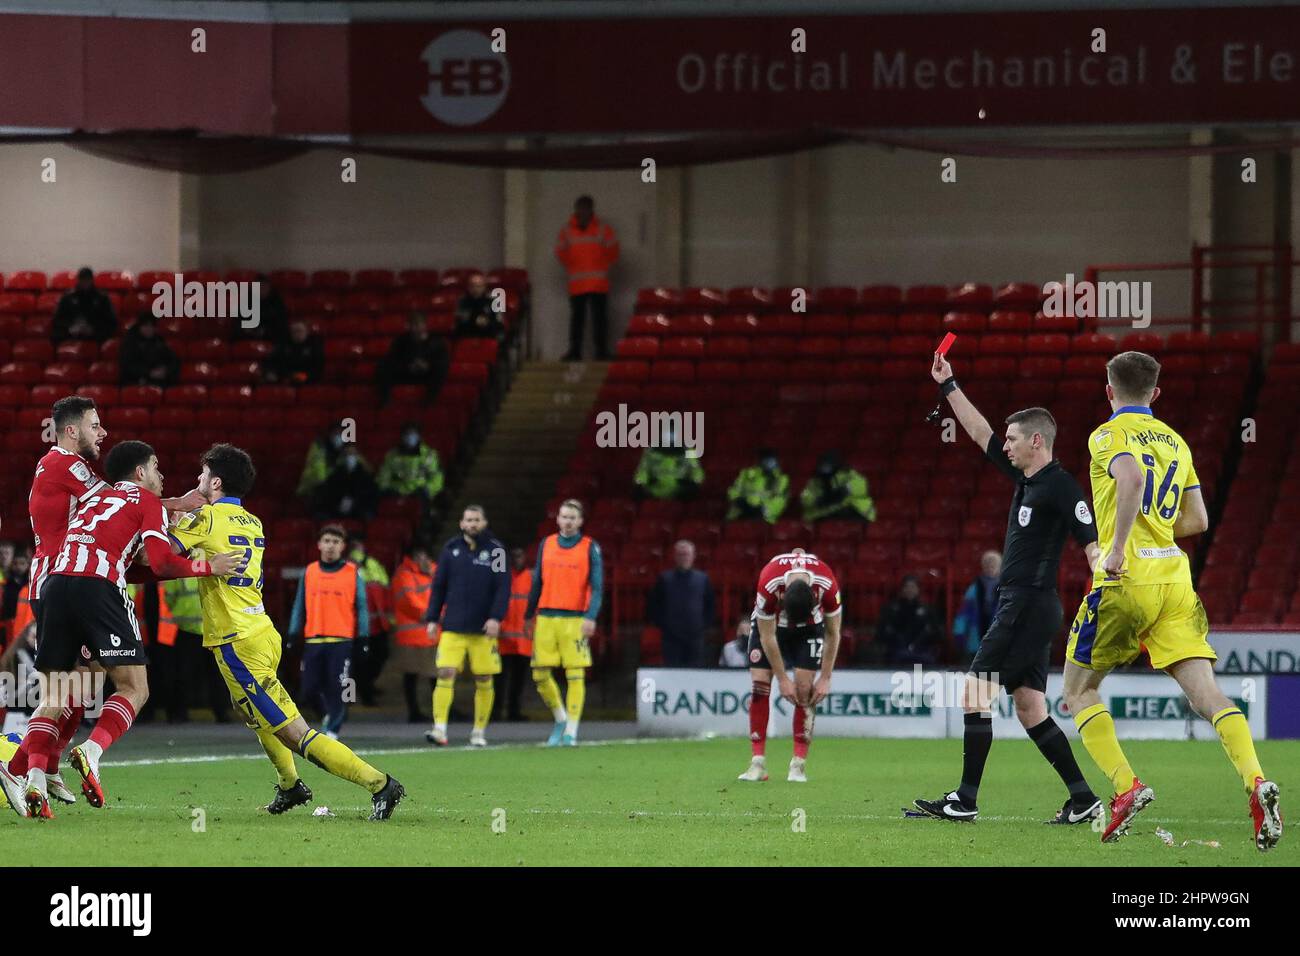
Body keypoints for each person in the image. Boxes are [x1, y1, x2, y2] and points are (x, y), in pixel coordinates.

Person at [1063, 351, 1280, 850]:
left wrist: (1117, 546)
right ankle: (1255, 781)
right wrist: (1155, 530)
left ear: (1109, 390)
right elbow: (1198, 520)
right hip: (1176, 582)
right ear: (1155, 394)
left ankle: (1126, 786)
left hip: (1127, 580)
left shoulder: (1105, 434)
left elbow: (1133, 479)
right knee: (1209, 698)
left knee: (1077, 691)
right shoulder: (1177, 442)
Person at [912, 350, 1103, 827]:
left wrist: (1105, 578)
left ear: (1038, 441)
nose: (1007, 445)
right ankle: (1083, 798)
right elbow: (980, 433)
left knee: (975, 691)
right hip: (1027, 607)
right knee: (1029, 705)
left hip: (1028, 605)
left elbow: (1091, 542)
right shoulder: (1025, 477)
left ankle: (965, 799)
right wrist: (949, 385)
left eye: (1015, 438)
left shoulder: (1061, 487)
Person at [168, 443, 405, 819]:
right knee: (252, 713)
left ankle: (380, 784)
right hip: (261, 631)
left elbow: (159, 554)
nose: (195, 483)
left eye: (201, 477)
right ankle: (290, 786)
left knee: (294, 733)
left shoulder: (207, 520)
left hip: (237, 641)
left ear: (215, 481)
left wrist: (170, 506)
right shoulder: (253, 522)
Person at [12, 440, 244, 818]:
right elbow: (160, 564)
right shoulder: (146, 502)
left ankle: (34, 780)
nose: (162, 475)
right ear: (140, 473)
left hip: (55, 585)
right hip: (97, 588)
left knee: (58, 692)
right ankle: (90, 752)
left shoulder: (93, 500)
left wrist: (176, 519)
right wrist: (207, 566)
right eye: (156, 467)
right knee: (135, 687)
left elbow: (129, 560)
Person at [737, 548, 843, 784]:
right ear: (782, 600)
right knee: (760, 685)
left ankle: (798, 765)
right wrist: (783, 679)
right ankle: (757, 763)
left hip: (809, 630)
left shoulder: (827, 585)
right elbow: (767, 637)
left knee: (805, 691)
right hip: (772, 627)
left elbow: (834, 633)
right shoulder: (769, 583)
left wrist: (826, 677)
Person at [423, 506, 509, 747]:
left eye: (477, 520)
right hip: (453, 626)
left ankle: (479, 731)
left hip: (483, 629)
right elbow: (439, 586)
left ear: (484, 522)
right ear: (461, 523)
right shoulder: (451, 549)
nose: (472, 524)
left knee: (483, 676)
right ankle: (440, 728)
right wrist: (432, 618)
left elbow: (503, 587)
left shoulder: (497, 551)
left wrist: (496, 617)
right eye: (468, 520)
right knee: (445, 672)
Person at [526, 499, 603, 746]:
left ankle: (571, 730)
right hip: (546, 617)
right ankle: (560, 718)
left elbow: (598, 586)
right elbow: (537, 581)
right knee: (539, 674)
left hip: (574, 619)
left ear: (580, 521)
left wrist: (591, 616)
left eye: (573, 517)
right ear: (557, 519)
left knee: (575, 673)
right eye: (564, 517)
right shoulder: (546, 544)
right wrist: (529, 615)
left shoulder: (589, 547)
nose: (568, 521)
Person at [288, 526, 369, 738]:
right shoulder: (309, 571)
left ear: (342, 546)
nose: (331, 545)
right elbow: (299, 605)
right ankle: (328, 715)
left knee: (340, 688)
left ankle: (333, 729)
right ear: (319, 544)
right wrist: (293, 633)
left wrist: (364, 637)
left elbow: (361, 607)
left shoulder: (352, 572)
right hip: (314, 639)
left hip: (341, 640)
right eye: (327, 540)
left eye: (335, 541)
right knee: (308, 689)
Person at [158, 576, 231, 724]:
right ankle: (221, 713)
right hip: (208, 630)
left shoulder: (180, 572)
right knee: (215, 674)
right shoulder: (213, 568)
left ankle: (179, 714)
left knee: (184, 673)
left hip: (189, 629)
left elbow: (169, 597)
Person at [555, 196, 619, 360]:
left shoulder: (603, 229)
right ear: (576, 210)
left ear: (591, 209)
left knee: (600, 319)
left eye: (585, 208)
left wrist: (601, 265)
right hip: (578, 283)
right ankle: (575, 351)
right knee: (577, 320)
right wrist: (573, 265)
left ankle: (601, 351)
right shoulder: (566, 230)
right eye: (580, 208)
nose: (582, 212)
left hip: (598, 283)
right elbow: (560, 252)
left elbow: (613, 251)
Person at [649, 541, 715, 667]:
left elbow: (710, 605)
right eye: (680, 554)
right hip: (671, 638)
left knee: (695, 672)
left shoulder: (703, 579)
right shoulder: (664, 579)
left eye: (686, 554)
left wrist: (702, 626)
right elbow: (654, 605)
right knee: (672, 671)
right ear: (675, 556)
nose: (684, 558)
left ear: (693, 556)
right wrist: (664, 626)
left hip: (695, 636)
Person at [390, 543, 436, 723]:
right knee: (412, 674)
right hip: (413, 635)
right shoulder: (404, 574)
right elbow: (408, 601)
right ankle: (414, 711)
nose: (423, 560)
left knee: (438, 674)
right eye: (419, 556)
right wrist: (433, 615)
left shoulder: (434, 572)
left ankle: (439, 710)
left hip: (431, 633)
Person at [347, 531, 390, 707]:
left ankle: (363, 689)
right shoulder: (348, 565)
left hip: (373, 623)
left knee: (374, 657)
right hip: (357, 624)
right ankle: (351, 697)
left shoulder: (370, 563)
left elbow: (384, 585)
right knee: (356, 662)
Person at [494, 547, 533, 722]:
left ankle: (513, 711)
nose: (517, 559)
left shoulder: (531, 579)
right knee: (499, 678)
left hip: (523, 638)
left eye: (520, 555)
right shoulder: (503, 578)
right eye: (515, 555)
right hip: (504, 637)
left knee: (518, 679)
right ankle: (496, 711)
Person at [376, 312, 449, 404]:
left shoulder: (437, 341)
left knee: (441, 368)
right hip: (406, 372)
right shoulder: (401, 340)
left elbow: (442, 360)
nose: (416, 328)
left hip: (427, 375)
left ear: (425, 325)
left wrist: (427, 365)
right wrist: (408, 366)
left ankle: (430, 400)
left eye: (418, 324)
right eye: (413, 324)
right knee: (383, 366)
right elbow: (392, 358)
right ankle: (385, 400)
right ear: (409, 326)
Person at [874, 576, 943, 668]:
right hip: (897, 650)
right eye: (907, 587)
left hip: (922, 650)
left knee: (924, 661)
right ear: (902, 589)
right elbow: (882, 631)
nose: (909, 590)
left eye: (913, 587)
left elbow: (935, 632)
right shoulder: (891, 609)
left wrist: (919, 643)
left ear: (918, 589)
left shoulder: (927, 610)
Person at [376, 423, 445, 511]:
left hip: (420, 493)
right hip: (398, 493)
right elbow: (384, 477)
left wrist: (428, 489)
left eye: (413, 434)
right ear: (402, 437)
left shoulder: (429, 455)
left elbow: (437, 477)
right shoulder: (392, 456)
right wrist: (386, 489)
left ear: (419, 436)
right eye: (407, 434)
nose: (410, 437)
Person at [952, 551, 1002, 668]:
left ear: (1000, 567)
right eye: (987, 564)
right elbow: (963, 614)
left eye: (993, 564)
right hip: (974, 640)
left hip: (998, 640)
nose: (990, 567)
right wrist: (959, 632)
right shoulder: (974, 588)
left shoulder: (1006, 589)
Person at [799, 451, 876, 522]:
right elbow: (805, 499)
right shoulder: (815, 481)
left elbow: (861, 486)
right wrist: (819, 501)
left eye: (827, 466)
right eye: (823, 466)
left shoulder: (849, 475)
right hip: (826, 516)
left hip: (855, 514)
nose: (825, 469)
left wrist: (844, 491)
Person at [313, 442, 379, 523]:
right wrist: (340, 501)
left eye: (353, 454)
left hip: (358, 511)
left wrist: (354, 502)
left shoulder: (365, 475)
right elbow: (329, 492)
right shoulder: (336, 474)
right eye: (347, 454)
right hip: (337, 509)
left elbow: (369, 495)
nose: (350, 457)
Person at [51, 267, 116, 345]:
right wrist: (70, 327)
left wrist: (93, 328)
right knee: (56, 334)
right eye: (82, 280)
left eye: (87, 280)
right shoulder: (68, 296)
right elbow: (58, 318)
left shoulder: (102, 297)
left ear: (92, 280)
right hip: (71, 330)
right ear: (78, 280)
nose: (85, 282)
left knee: (107, 333)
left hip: (95, 332)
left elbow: (110, 320)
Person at [726, 449, 789, 523]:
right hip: (739, 515)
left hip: (763, 519)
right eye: (765, 459)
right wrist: (737, 500)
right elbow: (733, 490)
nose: (768, 463)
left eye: (771, 460)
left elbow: (780, 500)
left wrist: (763, 510)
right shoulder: (747, 474)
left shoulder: (781, 479)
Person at [118, 313, 181, 387]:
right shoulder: (129, 342)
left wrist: (165, 371)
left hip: (157, 380)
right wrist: (149, 373)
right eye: (146, 325)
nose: (149, 329)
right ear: (139, 327)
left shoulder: (158, 340)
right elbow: (127, 365)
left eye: (152, 326)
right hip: (135, 381)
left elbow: (173, 360)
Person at [263, 317, 324, 385]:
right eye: (294, 331)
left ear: (307, 332)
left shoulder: (314, 345)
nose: (297, 334)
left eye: (300, 331)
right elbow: (272, 362)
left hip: (309, 381)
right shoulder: (283, 345)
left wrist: (306, 376)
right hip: (286, 380)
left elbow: (318, 367)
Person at [232, 274, 290, 344]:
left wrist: (266, 331)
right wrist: (245, 329)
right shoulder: (247, 300)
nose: (262, 290)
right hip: (248, 336)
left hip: (271, 337)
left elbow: (282, 323)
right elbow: (238, 320)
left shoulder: (277, 302)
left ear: (269, 288)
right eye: (259, 287)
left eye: (264, 287)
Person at [633, 445, 704, 501]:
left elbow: (695, 467)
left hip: (680, 488)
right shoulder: (651, 449)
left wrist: (696, 479)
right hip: (655, 487)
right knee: (637, 491)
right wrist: (640, 481)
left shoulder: (689, 450)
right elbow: (643, 468)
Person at [296, 424, 346, 501]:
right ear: (330, 435)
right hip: (311, 490)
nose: (339, 437)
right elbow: (320, 476)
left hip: (332, 489)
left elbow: (362, 466)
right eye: (336, 434)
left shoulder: (346, 450)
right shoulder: (319, 447)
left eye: (341, 434)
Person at [455, 272, 504, 339]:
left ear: (484, 287)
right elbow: (459, 322)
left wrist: (487, 322)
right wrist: (474, 320)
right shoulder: (462, 301)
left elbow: (499, 323)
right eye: (472, 286)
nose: (475, 289)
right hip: (468, 336)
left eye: (478, 286)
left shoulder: (494, 301)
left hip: (489, 336)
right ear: (468, 287)